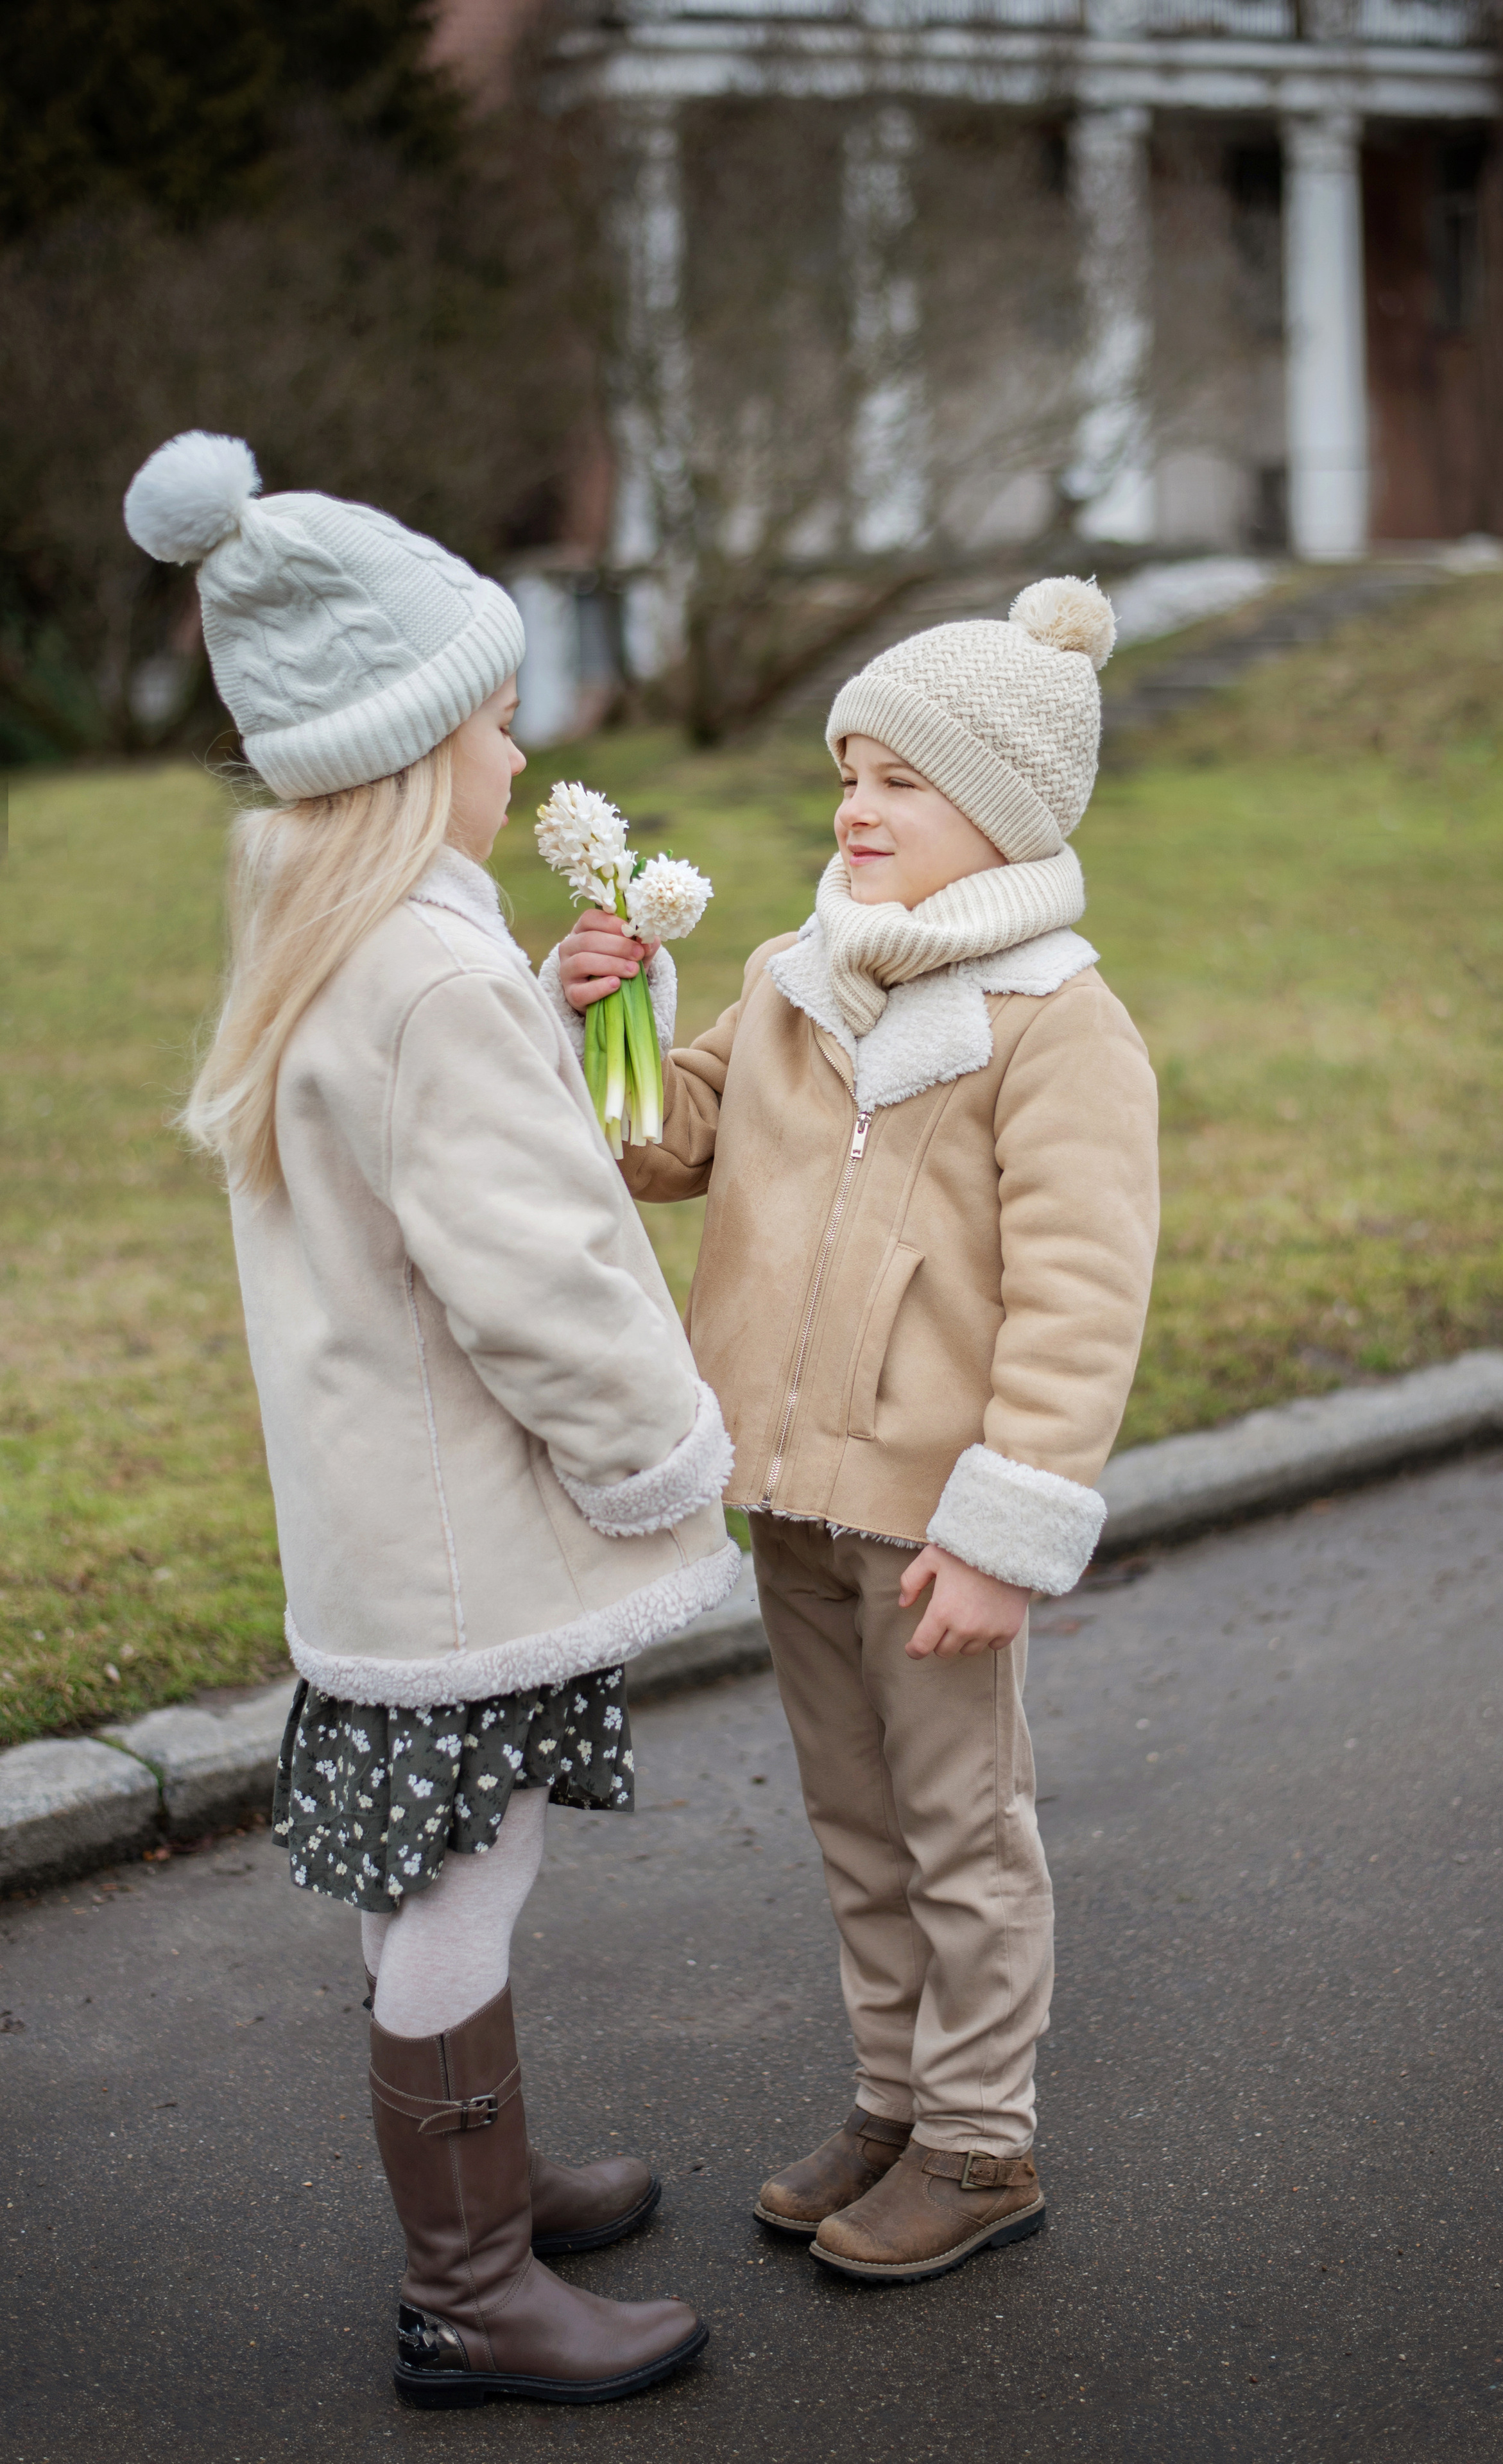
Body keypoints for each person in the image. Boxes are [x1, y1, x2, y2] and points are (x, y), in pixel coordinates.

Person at [125, 431, 740, 2404]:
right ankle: (465, 2288)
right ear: (411, 749)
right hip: (467, 1527)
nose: (519, 753)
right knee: (464, 1879)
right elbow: (543, 1274)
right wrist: (659, 1451)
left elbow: (418, 1151)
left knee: (445, 1868)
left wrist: (545, 1018)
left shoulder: (345, 933)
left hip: (385, 1517)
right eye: (492, 723)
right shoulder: (427, 978)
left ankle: (492, 2184)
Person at [556, 577, 1160, 2284]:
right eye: (848, 770)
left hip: (933, 1522)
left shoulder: (1058, 1028)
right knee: (855, 1818)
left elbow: (1078, 1298)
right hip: (792, 1496)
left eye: (901, 778)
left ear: (1005, 809)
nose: (854, 807)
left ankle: (981, 2145)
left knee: (962, 1832)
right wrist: (613, 1009)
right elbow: (661, 1145)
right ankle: (894, 2101)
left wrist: (1008, 1525)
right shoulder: (799, 977)